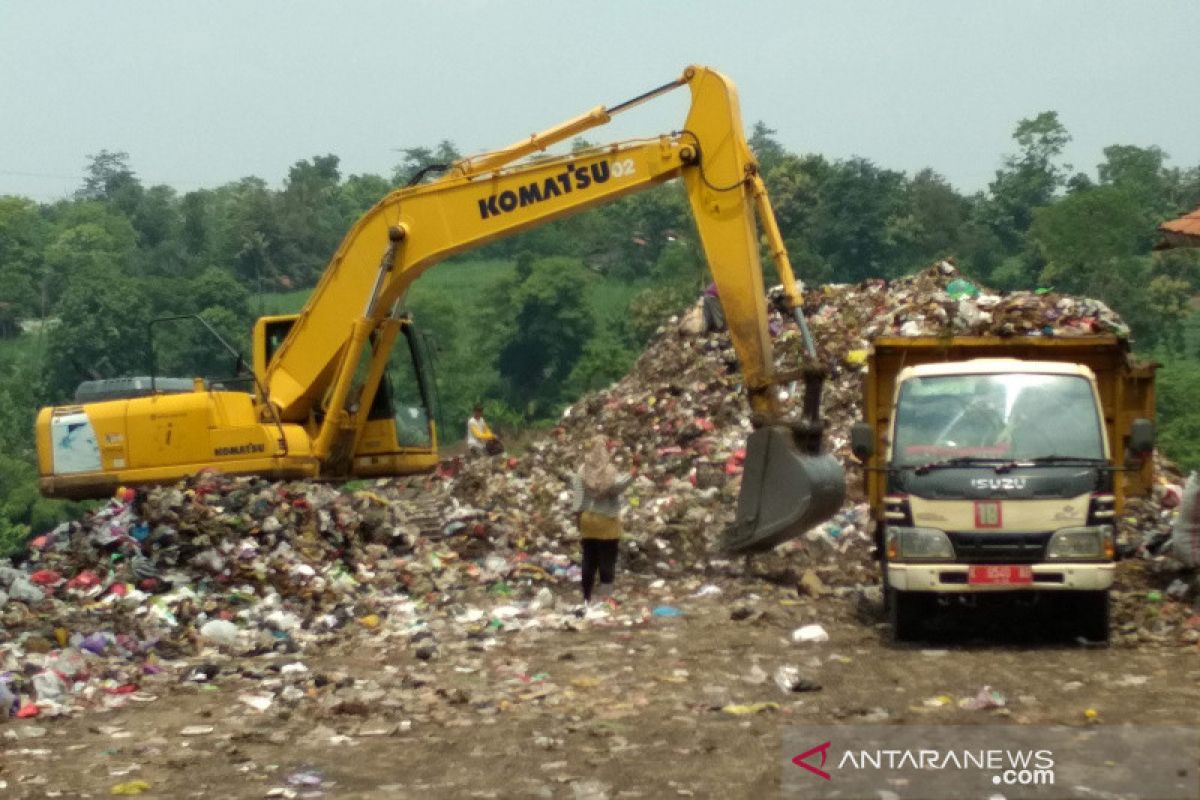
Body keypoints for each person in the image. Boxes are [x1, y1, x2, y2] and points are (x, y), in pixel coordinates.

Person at [571, 435, 634, 609]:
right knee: (607, 558)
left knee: (589, 559)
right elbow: (616, 488)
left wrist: (579, 523)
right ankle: (605, 598)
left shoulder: (582, 471)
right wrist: (631, 475)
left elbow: (577, 501)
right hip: (607, 520)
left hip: (587, 520)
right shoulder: (609, 471)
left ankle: (586, 598)